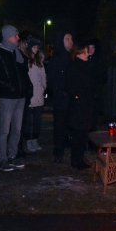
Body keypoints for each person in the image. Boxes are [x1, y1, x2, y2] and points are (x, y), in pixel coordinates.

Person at [0, 24, 30, 172]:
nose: (18, 38)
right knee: (4, 129)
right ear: (8, 37)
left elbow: (22, 73)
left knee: (17, 129)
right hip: (7, 97)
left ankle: (12, 156)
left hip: (20, 96)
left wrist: (24, 87)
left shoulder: (15, 53)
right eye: (16, 35)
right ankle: (2, 159)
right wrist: (7, 86)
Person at [64, 41, 95, 169]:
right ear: (81, 52)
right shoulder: (74, 65)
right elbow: (69, 84)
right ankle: (76, 160)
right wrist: (76, 95)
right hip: (78, 104)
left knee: (83, 133)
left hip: (86, 103)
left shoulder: (86, 64)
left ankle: (80, 158)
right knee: (78, 133)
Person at [45, 31, 73, 163]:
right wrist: (59, 90)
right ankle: (59, 150)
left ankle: (69, 145)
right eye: (67, 39)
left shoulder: (72, 58)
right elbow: (50, 79)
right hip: (60, 98)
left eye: (71, 39)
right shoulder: (56, 59)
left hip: (72, 98)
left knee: (71, 123)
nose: (70, 41)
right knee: (60, 124)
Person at [22, 36, 46, 153]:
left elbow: (43, 78)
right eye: (34, 47)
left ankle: (35, 139)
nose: (36, 49)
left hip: (39, 96)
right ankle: (29, 141)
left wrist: (42, 88)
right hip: (30, 96)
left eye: (37, 47)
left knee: (37, 121)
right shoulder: (26, 61)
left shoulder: (39, 62)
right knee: (29, 122)